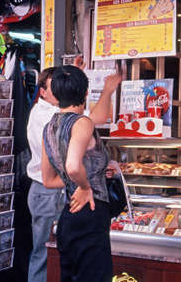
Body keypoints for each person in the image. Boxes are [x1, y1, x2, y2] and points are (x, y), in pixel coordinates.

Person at [27, 62, 121, 282]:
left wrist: (87, 178)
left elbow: (49, 180)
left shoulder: (49, 126)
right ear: (86, 92)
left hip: (69, 216)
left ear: (57, 93)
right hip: (91, 213)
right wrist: (84, 186)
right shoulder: (82, 122)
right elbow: (72, 165)